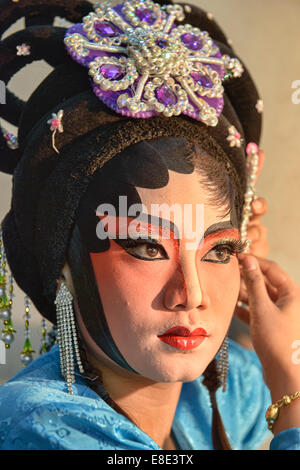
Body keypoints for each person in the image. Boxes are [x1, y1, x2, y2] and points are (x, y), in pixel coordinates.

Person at [0, 0, 299, 451]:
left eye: (218, 251)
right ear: (63, 259)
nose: (192, 295)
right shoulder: (37, 424)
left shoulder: (228, 392)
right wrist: (292, 386)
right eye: (146, 247)